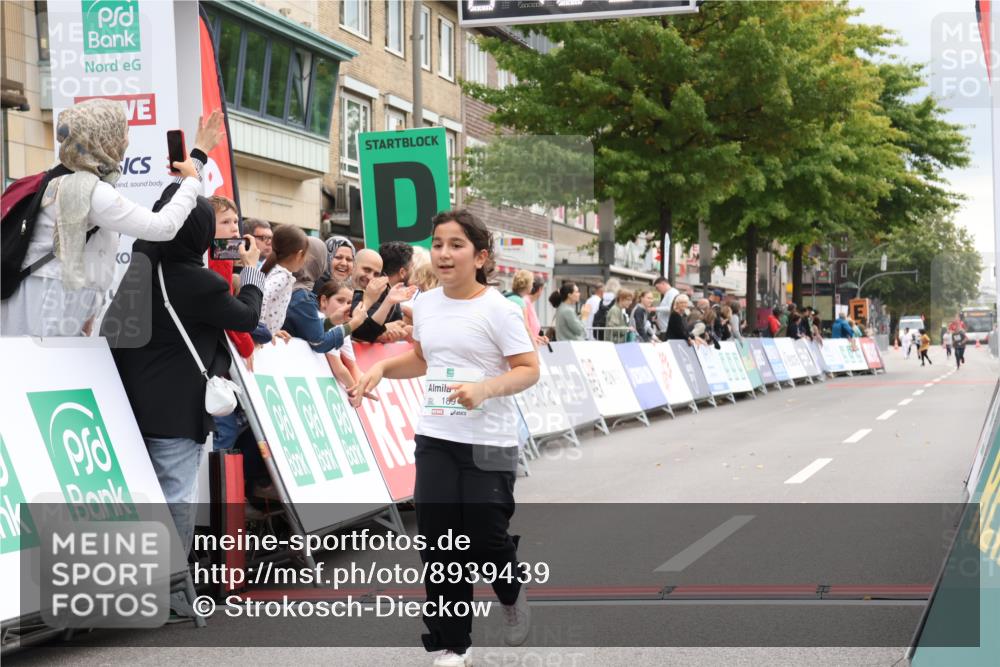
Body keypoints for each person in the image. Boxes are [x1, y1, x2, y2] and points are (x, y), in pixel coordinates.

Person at [349, 209, 538, 666]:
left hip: (490, 441)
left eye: (456, 245)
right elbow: (423, 358)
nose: (444, 253)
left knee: (486, 538)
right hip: (436, 437)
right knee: (440, 542)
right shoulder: (427, 305)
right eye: (437, 244)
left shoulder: (500, 310)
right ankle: (454, 644)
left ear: (480, 256)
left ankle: (511, 594)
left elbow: (529, 369)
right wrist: (381, 368)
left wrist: (485, 389)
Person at [103, 194, 264, 557]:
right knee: (175, 497)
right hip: (175, 413)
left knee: (138, 498)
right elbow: (247, 317)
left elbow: (161, 217)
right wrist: (252, 271)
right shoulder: (198, 282)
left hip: (125, 405)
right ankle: (171, 580)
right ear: (202, 234)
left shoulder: (143, 265)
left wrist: (187, 179)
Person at [1, 100, 220, 337]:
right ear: (103, 137)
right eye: (123, 132)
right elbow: (163, 226)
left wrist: (88, 311)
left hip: (45, 299)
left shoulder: (65, 177)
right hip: (44, 305)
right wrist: (192, 180)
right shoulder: (87, 189)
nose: (126, 141)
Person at [282, 238, 380, 353]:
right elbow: (319, 342)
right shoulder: (303, 295)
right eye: (337, 257)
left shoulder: (299, 288)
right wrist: (354, 323)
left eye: (349, 259)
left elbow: (310, 328)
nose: (344, 263)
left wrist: (332, 321)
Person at [259, 224, 309, 335]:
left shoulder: (272, 267)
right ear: (299, 254)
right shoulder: (282, 276)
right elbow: (261, 295)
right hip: (260, 337)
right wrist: (261, 329)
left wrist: (274, 331)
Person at [508, 269, 548, 347]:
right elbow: (526, 328)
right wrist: (535, 345)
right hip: (525, 347)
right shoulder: (523, 302)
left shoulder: (523, 301)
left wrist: (537, 338)